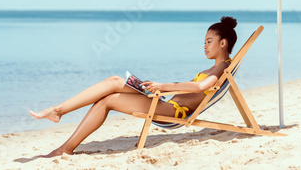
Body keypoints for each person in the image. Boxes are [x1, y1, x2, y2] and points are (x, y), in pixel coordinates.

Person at [29, 16, 238, 157]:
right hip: (165, 103)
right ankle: (63, 133)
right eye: (204, 42)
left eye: (209, 41)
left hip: (174, 111)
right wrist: (157, 88)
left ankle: (60, 123)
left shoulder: (221, 68)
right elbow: (197, 87)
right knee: (110, 90)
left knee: (111, 90)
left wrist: (163, 86)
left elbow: (201, 86)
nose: (204, 46)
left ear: (223, 43)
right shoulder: (216, 66)